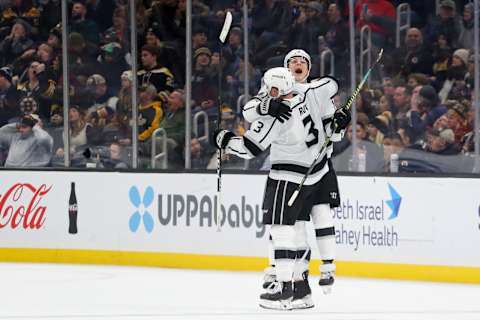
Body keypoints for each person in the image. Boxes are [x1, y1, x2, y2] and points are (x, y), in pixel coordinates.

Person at [214, 66, 350, 310]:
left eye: (268, 88)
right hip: (312, 176)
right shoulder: (307, 95)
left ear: (274, 89)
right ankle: (301, 290)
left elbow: (250, 149)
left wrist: (224, 140)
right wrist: (339, 125)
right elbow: (330, 93)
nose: (265, 91)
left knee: (282, 231)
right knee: (298, 232)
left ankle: (285, 289)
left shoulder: (275, 116)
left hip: (286, 178)